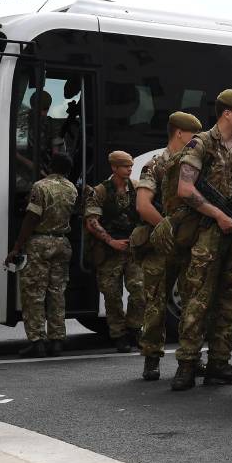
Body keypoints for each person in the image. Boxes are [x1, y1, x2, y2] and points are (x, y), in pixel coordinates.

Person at [170, 89, 232, 390]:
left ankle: (219, 362)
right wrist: (218, 215)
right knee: (198, 299)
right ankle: (187, 364)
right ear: (226, 113)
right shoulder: (201, 143)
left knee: (230, 301)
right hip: (208, 232)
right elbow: (185, 189)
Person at [136, 111, 203, 381]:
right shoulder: (156, 165)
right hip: (161, 246)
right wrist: (164, 224)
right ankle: (152, 357)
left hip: (188, 243)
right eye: (192, 135)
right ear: (179, 133)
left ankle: (191, 358)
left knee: (193, 304)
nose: (196, 141)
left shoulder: (194, 165)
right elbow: (143, 205)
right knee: (155, 305)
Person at [5, 153, 78, 358]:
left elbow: (32, 217)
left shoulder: (40, 186)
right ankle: (57, 340)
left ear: (50, 166)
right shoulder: (71, 188)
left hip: (40, 243)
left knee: (35, 294)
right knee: (57, 293)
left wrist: (17, 246)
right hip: (62, 243)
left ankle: (37, 341)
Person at [85, 151, 146, 353]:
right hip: (109, 251)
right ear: (114, 168)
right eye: (124, 166)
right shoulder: (100, 191)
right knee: (112, 294)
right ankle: (118, 334)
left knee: (139, 290)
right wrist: (111, 242)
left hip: (132, 249)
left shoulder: (137, 188)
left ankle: (134, 329)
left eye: (130, 165)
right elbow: (92, 222)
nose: (129, 169)